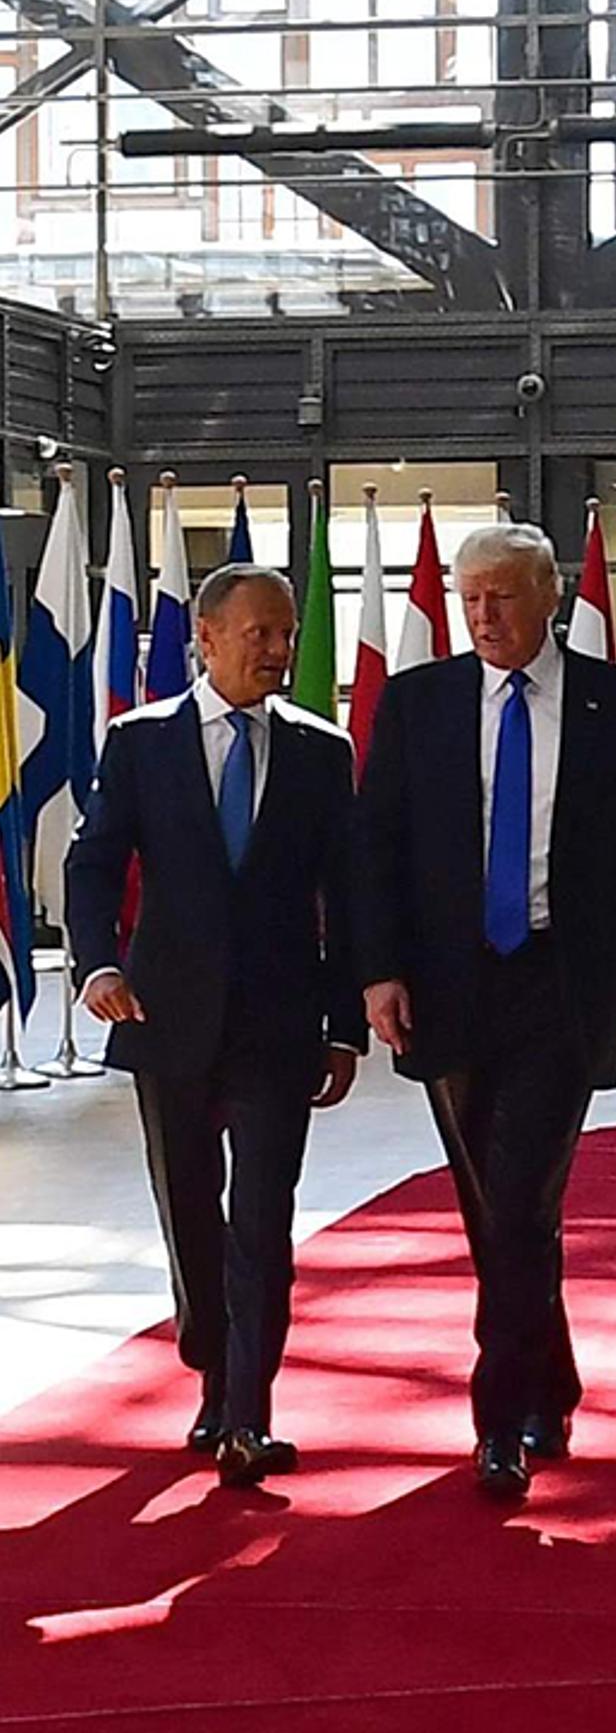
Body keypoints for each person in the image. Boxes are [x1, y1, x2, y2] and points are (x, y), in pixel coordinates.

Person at [353, 520, 616, 1501]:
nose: (485, 615)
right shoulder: (419, 705)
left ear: (550, 600)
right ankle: (553, 1381)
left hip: (561, 984)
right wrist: (377, 973)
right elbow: (377, 851)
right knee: (500, 1211)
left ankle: (499, 1421)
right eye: (470, 599)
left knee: (523, 1196)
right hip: (447, 988)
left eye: (502, 596)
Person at [63, 561, 365, 1486]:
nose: (279, 651)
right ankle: (211, 1361)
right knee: (191, 1211)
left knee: (263, 1220)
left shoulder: (322, 751)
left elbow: (346, 896)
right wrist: (97, 963)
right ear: (205, 635)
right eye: (260, 634)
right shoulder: (141, 742)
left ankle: (248, 1411)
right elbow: (95, 862)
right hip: (168, 1018)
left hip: (280, 1027)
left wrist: (345, 1023)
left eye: (287, 634)